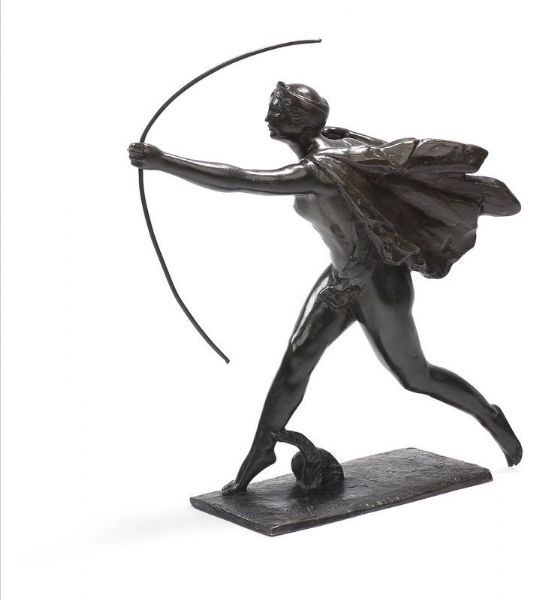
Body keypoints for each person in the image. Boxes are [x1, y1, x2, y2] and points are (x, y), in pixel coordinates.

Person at [128, 81, 523, 495]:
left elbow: (242, 180)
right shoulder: (336, 141)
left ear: (300, 123)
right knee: (297, 359)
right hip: (342, 276)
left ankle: (490, 415)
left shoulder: (320, 169)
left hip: (379, 283)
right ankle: (262, 450)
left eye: (277, 113)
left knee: (414, 375)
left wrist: (164, 161)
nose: (267, 119)